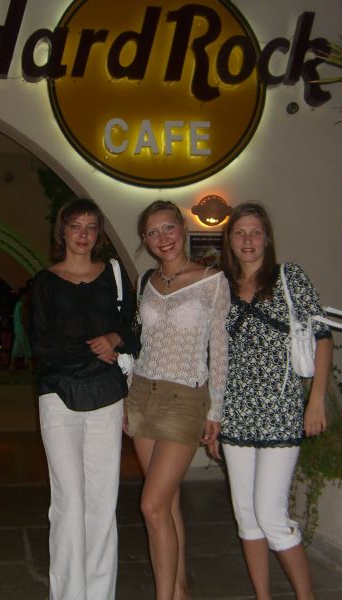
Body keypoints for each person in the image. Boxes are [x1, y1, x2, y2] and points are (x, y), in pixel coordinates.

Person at [216, 202, 333, 600]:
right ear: (229, 240)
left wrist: (315, 400)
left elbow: (322, 337)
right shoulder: (221, 286)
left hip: (280, 410)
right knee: (247, 518)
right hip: (235, 413)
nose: (247, 240)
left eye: (255, 232)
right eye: (239, 233)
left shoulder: (288, 277)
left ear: (267, 238)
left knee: (271, 515)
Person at [30, 198, 138, 600]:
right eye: (76, 226)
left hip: (107, 396)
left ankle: (100, 594)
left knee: (102, 502)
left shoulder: (113, 276)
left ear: (99, 234)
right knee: (69, 502)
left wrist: (115, 338)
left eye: (91, 227)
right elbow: (42, 344)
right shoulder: (44, 282)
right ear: (62, 231)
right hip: (58, 396)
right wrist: (94, 350)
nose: (83, 234)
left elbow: (135, 327)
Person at [125, 200, 229, 600]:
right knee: (167, 504)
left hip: (185, 398)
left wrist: (216, 409)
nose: (162, 238)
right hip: (142, 395)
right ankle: (180, 591)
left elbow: (220, 350)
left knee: (151, 506)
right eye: (152, 232)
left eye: (168, 228)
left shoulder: (212, 280)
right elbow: (140, 342)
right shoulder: (145, 281)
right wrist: (127, 395)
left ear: (182, 228)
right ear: (145, 239)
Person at [9, 282, 33, 371]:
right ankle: (30, 367)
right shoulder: (22, 305)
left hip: (17, 328)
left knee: (17, 347)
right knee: (27, 347)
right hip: (22, 329)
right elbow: (24, 318)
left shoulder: (18, 304)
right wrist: (26, 328)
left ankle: (12, 366)